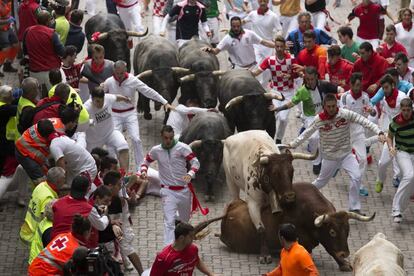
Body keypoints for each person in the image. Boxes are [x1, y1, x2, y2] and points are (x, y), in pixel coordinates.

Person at [288, 93, 385, 213]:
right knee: (320, 182)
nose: (331, 109)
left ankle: (354, 208)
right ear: (324, 106)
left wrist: (379, 132)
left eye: (334, 106)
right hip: (330, 158)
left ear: (337, 105)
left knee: (356, 176)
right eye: (328, 106)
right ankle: (299, 195)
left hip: (346, 155)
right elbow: (306, 134)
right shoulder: (319, 120)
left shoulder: (345, 114)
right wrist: (292, 145)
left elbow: (365, 121)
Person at [270, 66, 343, 174]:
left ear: (316, 77)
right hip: (310, 117)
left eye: (312, 79)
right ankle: (316, 162)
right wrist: (278, 108)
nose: (310, 82)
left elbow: (339, 89)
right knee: (314, 138)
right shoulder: (302, 91)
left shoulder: (324, 85)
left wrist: (341, 92)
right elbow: (292, 103)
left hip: (325, 115)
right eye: (307, 79)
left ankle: (331, 162)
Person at [140, 125, 204, 245]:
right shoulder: (156, 150)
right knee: (168, 222)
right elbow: (146, 161)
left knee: (184, 221)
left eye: (170, 138)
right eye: (165, 138)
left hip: (184, 191)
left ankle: (184, 244)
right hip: (167, 191)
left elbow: (195, 163)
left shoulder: (182, 148)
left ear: (173, 136)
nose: (168, 141)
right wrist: (143, 170)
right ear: (161, 137)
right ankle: (169, 249)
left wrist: (190, 174)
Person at [104, 60, 173, 168]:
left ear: (126, 70)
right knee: (112, 142)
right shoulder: (108, 82)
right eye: (117, 73)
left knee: (136, 139)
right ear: (114, 71)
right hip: (115, 115)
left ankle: (140, 166)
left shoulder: (133, 80)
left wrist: (164, 102)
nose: (119, 76)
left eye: (122, 73)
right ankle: (112, 167)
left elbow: (148, 91)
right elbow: (98, 96)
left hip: (130, 113)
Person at [251, 35, 298, 144]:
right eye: (277, 47)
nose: (279, 49)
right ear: (274, 47)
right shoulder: (269, 60)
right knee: (272, 116)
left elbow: (298, 74)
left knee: (283, 118)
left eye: (281, 46)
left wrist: (290, 76)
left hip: (289, 93)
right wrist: (247, 73)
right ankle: (269, 138)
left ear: (285, 46)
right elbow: (256, 72)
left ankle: (279, 139)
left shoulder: (291, 59)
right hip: (275, 91)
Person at [52, 175, 110, 247]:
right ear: (88, 189)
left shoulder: (57, 203)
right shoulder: (88, 209)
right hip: (72, 247)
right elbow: (101, 226)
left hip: (54, 245)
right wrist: (105, 215)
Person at [340, 73, 373, 197]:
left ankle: (358, 184)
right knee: (340, 157)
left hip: (359, 132)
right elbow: (343, 115)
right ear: (351, 85)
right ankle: (336, 167)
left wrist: (371, 111)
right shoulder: (344, 97)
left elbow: (370, 112)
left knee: (363, 159)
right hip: (346, 131)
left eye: (361, 85)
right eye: (357, 85)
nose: (360, 87)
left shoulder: (365, 97)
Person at [374, 75, 408, 193]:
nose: (385, 90)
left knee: (406, 167)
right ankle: (380, 180)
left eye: (387, 87)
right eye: (383, 88)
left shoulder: (402, 97)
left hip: (404, 137)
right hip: (391, 135)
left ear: (393, 85)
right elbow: (387, 117)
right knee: (382, 163)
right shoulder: (385, 99)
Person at [84, 86, 130, 171]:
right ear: (92, 98)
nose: (100, 104)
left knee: (123, 146)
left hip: (110, 133)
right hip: (94, 140)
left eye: (102, 101)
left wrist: (126, 99)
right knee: (91, 163)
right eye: (97, 101)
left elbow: (117, 97)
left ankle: (125, 176)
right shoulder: (86, 108)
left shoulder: (108, 98)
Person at [204, 16, 275, 69]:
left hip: (254, 67)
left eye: (238, 26)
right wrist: (209, 50)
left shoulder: (249, 34)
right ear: (231, 26)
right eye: (234, 26)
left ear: (241, 25)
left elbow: (264, 42)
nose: (236, 28)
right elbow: (216, 51)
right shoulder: (227, 39)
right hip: (239, 70)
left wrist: (277, 46)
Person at [149, 220, 216, 276]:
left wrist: (210, 273)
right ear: (181, 238)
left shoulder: (193, 249)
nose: (194, 238)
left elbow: (197, 261)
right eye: (191, 236)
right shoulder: (164, 258)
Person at [23, 10, 65, 95]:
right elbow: (62, 52)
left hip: (34, 71)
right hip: (51, 72)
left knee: (37, 97)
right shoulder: (52, 33)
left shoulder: (28, 31)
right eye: (50, 19)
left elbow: (25, 51)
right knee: (54, 95)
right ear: (47, 21)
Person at [20, 167, 66, 245]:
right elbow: (46, 219)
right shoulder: (48, 197)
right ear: (58, 182)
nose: (64, 181)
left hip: (27, 229)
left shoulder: (41, 186)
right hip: (34, 235)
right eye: (64, 179)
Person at [242, 0, 281, 86]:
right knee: (256, 64)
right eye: (261, 1)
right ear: (258, 2)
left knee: (267, 69)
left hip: (268, 46)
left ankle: (263, 86)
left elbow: (279, 29)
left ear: (268, 2)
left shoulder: (273, 16)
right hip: (256, 45)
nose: (263, 3)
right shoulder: (252, 14)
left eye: (265, 1)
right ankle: (251, 84)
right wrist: (233, 30)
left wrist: (277, 37)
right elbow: (243, 21)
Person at [387, 98, 414, 223]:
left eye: (408, 110)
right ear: (400, 110)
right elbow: (389, 137)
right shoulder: (395, 122)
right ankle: (395, 208)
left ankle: (399, 211)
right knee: (409, 175)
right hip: (402, 152)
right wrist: (391, 147)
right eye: (404, 110)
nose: (406, 113)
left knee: (411, 182)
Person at [14, 119, 57, 184]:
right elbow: (45, 156)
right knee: (41, 179)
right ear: (44, 136)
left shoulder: (39, 126)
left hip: (22, 146)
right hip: (23, 154)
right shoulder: (41, 140)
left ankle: (21, 192)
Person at [28, 199, 56, 264]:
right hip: (40, 265)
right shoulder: (50, 231)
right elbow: (52, 255)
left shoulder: (45, 220)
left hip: (35, 260)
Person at [0, 85, 17, 177]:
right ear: (6, 98)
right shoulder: (5, 109)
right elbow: (18, 109)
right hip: (4, 141)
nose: (13, 98)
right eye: (11, 96)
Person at [0, 0, 19, 77]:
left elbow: (9, 13)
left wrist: (9, 19)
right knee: (6, 49)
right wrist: (7, 20)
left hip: (8, 27)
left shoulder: (8, 2)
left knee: (16, 45)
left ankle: (7, 65)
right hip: (1, 29)